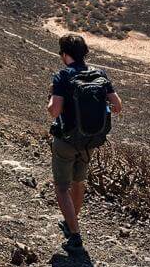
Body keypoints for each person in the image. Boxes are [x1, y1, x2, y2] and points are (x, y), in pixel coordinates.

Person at [47, 33, 122, 250]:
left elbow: (54, 111)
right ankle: (72, 223)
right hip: (89, 141)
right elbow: (117, 105)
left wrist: (50, 100)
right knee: (78, 182)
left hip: (66, 140)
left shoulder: (62, 77)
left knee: (62, 188)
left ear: (64, 54)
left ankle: (75, 233)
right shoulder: (100, 74)